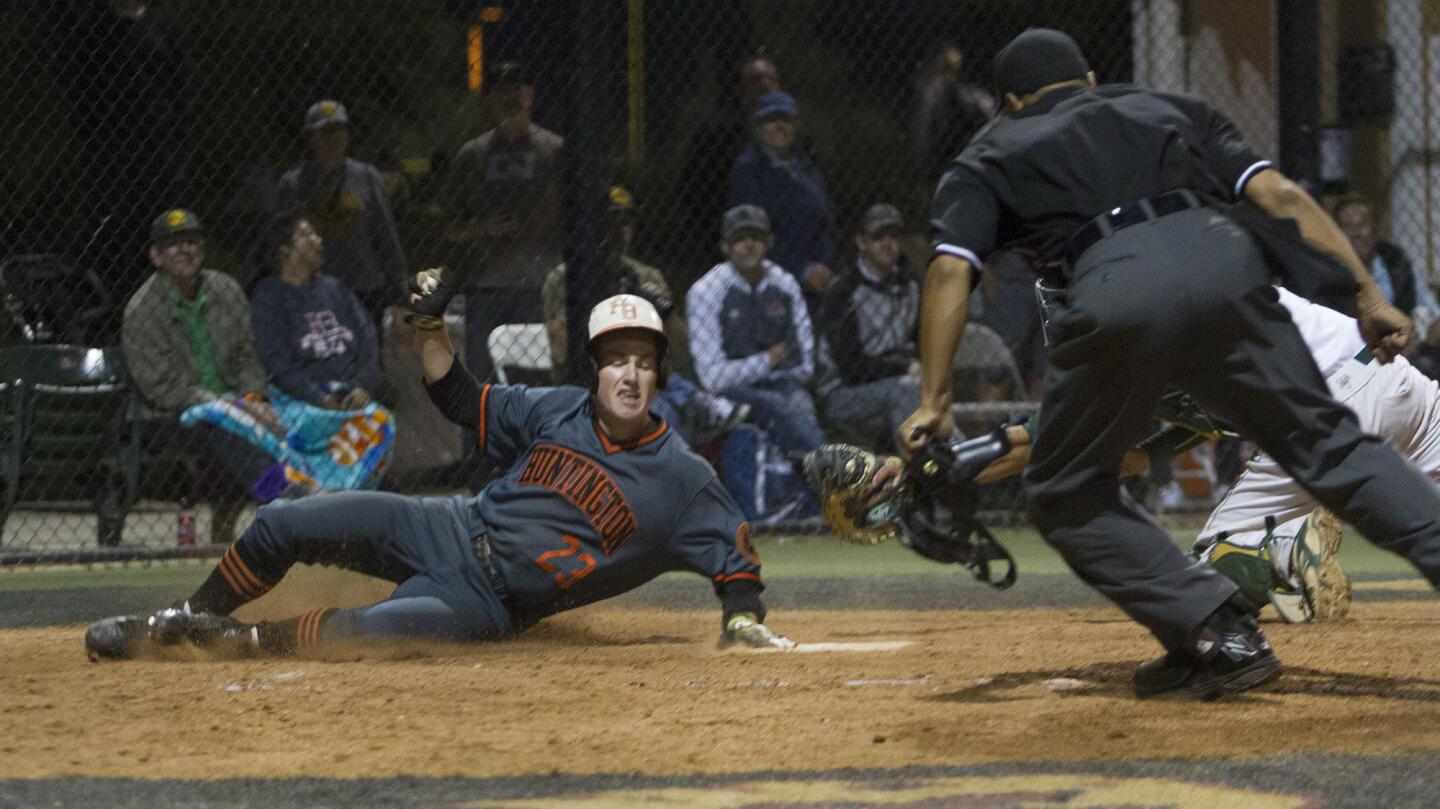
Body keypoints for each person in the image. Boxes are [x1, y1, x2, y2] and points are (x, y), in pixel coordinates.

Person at [899, 28, 1440, 701]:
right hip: (1227, 266)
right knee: (1328, 445)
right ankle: (1210, 634)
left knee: (1066, 490)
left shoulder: (991, 150)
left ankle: (1216, 632)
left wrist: (935, 397)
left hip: (1113, 286)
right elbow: (1282, 198)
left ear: (1009, 100)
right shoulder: (1169, 106)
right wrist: (1367, 292)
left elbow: (951, 269)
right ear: (1091, 79)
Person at [84, 289, 793, 660]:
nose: (629, 374)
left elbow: (736, 561)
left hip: (487, 605)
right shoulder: (557, 408)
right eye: (616, 359)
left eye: (643, 360)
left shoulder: (681, 477)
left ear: (659, 371)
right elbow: (458, 397)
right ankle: (184, 617)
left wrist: (740, 617)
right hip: (447, 525)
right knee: (283, 520)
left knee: (367, 634)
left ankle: (229, 643)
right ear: (597, 368)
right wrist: (430, 328)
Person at [978, 286, 1440, 625]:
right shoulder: (1181, 289)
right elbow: (1136, 457)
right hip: (1400, 384)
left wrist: (942, 469)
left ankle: (1287, 549)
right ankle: (1287, 551)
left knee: (1207, 579)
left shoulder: (1139, 336)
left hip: (1334, 403)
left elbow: (1040, 441)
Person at [541, 186, 749, 444]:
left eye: (626, 222)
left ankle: (694, 411)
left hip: (653, 382)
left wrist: (663, 307)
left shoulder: (646, 276)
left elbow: (682, 350)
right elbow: (561, 351)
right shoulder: (564, 278)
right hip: (591, 381)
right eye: (610, 222)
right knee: (660, 417)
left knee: (672, 411)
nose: (619, 232)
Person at [122, 209, 297, 504]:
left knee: (293, 414)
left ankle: (327, 491)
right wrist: (222, 406)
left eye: (192, 241)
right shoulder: (141, 310)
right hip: (172, 415)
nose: (186, 250)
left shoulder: (226, 289)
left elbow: (246, 355)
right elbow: (161, 389)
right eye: (174, 244)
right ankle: (281, 496)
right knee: (222, 429)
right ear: (156, 256)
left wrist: (252, 398)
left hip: (236, 402)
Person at [442, 62, 564, 386]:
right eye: (501, 90)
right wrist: (484, 227)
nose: (510, 97)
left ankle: (541, 439)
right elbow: (449, 227)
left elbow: (575, 220)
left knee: (540, 384)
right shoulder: (472, 155)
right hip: (486, 286)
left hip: (541, 284)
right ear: (489, 99)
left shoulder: (554, 151)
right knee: (482, 385)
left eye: (517, 88)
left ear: (530, 95)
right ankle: (481, 438)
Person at [688, 205, 825, 457]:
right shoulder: (705, 292)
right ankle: (831, 468)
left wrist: (744, 369)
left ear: (769, 242)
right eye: (739, 238)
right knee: (775, 406)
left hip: (782, 385)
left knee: (799, 404)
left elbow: (805, 365)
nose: (749, 244)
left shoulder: (784, 284)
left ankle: (816, 485)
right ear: (725, 247)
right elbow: (711, 378)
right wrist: (768, 360)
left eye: (756, 237)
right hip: (729, 396)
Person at [273, 100, 408, 331]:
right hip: (313, 287)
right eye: (324, 133)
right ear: (311, 137)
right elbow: (279, 239)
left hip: (363, 287)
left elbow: (385, 234)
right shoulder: (294, 183)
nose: (333, 139)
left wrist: (400, 290)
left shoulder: (366, 176)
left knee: (365, 358)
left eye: (338, 131)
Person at [814, 203, 921, 452]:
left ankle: (953, 462)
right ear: (861, 242)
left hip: (897, 385)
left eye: (894, 237)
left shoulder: (911, 287)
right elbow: (852, 369)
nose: (887, 244)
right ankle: (936, 471)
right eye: (878, 237)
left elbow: (917, 344)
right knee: (905, 393)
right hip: (842, 394)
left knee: (920, 393)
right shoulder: (843, 291)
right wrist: (905, 367)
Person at [249, 213, 381, 410]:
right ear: (285, 250)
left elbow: (367, 338)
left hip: (352, 390)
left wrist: (363, 386)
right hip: (303, 399)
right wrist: (318, 398)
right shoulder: (269, 296)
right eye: (307, 234)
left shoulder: (335, 288)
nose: (318, 240)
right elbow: (275, 361)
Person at [729, 90, 838, 296]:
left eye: (786, 119)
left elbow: (826, 218)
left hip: (818, 273)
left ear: (795, 126)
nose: (779, 126)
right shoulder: (749, 169)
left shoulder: (805, 165)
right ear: (760, 127)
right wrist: (802, 271)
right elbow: (754, 232)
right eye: (771, 119)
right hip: (771, 278)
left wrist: (824, 264)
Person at [1334, 195, 1440, 371]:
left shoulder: (1397, 263)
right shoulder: (1330, 279)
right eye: (1348, 227)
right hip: (1356, 363)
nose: (1356, 233)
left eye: (1361, 225)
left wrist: (1429, 333)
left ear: (1376, 230)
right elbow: (1340, 349)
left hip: (1407, 355)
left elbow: (1432, 312)